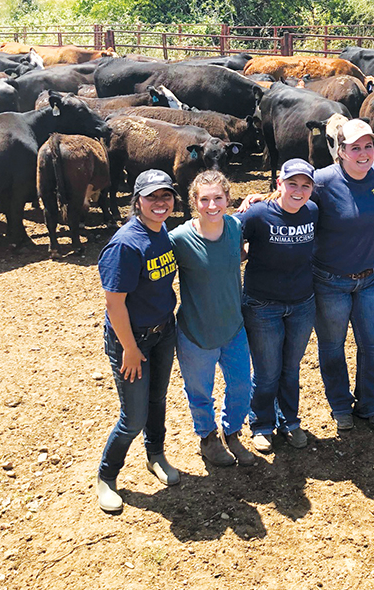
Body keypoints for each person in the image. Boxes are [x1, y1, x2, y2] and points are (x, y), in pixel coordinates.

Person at [95, 169, 181, 513]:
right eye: (152, 197)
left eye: (166, 196)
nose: (160, 203)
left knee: (157, 400)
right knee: (132, 416)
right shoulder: (126, 244)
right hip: (133, 341)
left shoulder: (162, 234)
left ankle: (155, 454)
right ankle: (106, 476)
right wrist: (130, 349)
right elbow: (114, 304)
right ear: (137, 201)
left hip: (163, 331)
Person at [169, 170, 255, 467]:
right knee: (200, 392)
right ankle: (207, 438)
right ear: (194, 202)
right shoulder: (179, 238)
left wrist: (261, 197)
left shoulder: (234, 226)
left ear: (228, 199)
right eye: (204, 199)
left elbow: (238, 255)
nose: (212, 205)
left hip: (233, 326)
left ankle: (232, 433)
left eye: (218, 198)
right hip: (196, 331)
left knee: (242, 384)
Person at [312, 119, 374, 431]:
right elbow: (291, 200)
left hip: (371, 278)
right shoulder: (322, 181)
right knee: (332, 348)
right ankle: (340, 405)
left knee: (373, 346)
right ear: (340, 151)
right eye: (355, 147)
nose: (363, 153)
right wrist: (255, 203)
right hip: (330, 281)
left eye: (368, 146)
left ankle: (369, 405)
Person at [236, 158, 319, 452]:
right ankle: (261, 424)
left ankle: (290, 421)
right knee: (267, 370)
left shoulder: (312, 211)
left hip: (302, 303)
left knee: (290, 368)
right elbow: (233, 243)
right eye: (292, 184)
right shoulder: (256, 214)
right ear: (279, 184)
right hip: (262, 304)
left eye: (305, 185)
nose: (298, 190)